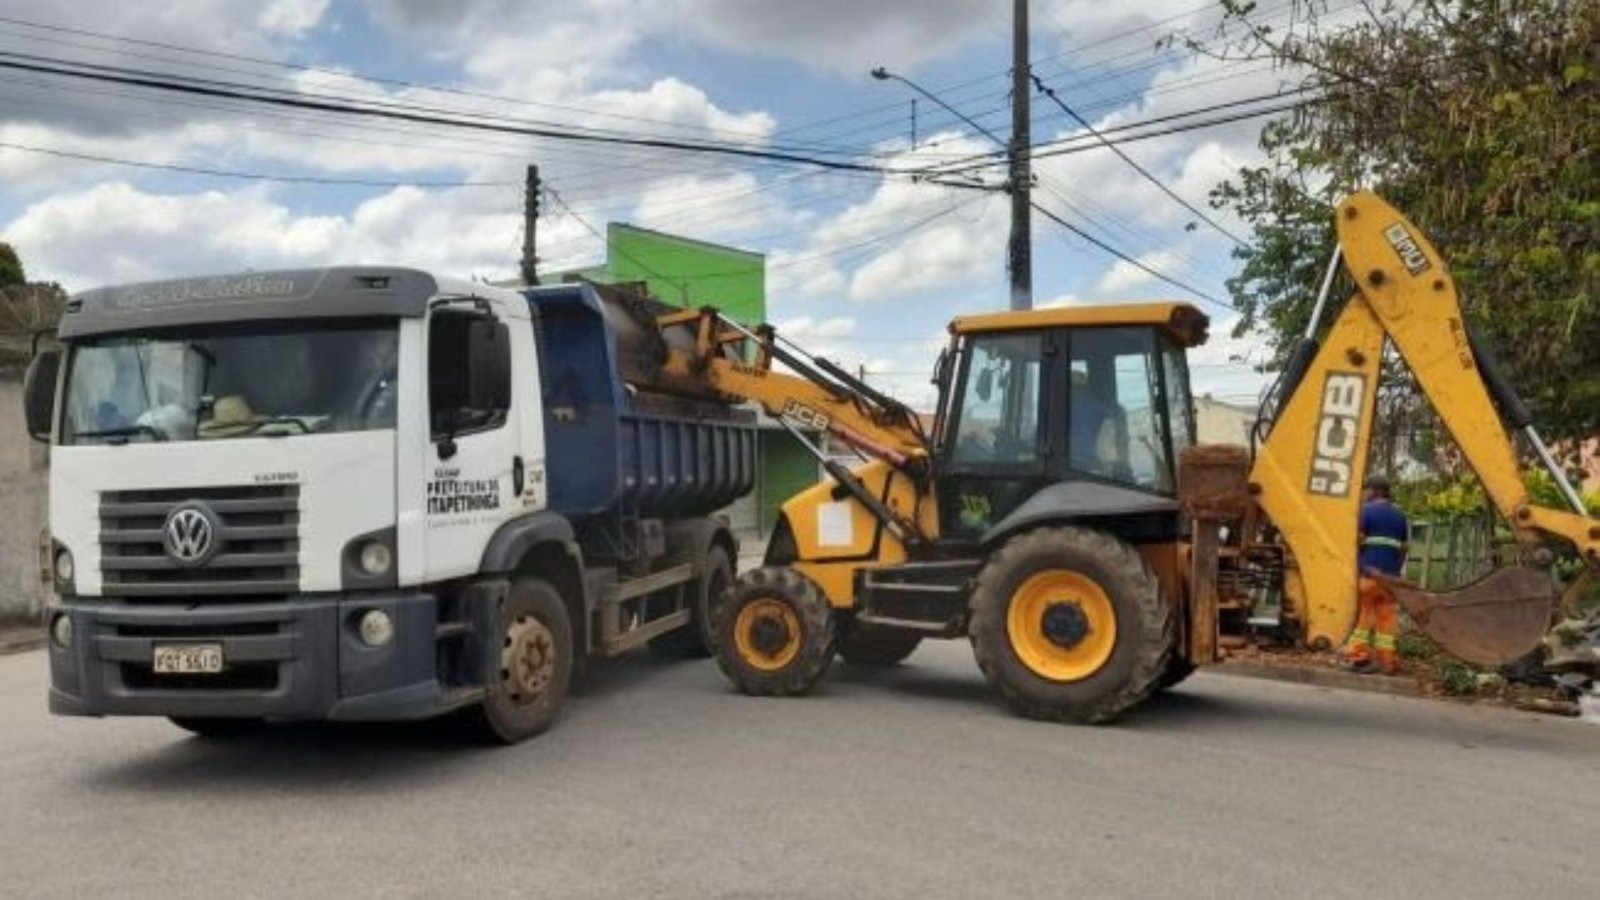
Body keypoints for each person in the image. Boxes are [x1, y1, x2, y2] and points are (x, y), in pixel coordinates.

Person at [1340, 475, 1410, 674]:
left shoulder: (1365, 512)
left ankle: (1359, 658)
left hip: (1369, 575)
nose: (1363, 493)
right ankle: (1387, 662)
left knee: (1364, 617)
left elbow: (1357, 541)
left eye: (1366, 489)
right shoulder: (1400, 515)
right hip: (1390, 579)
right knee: (1386, 620)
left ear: (1375, 491)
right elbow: (1404, 548)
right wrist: (1395, 570)